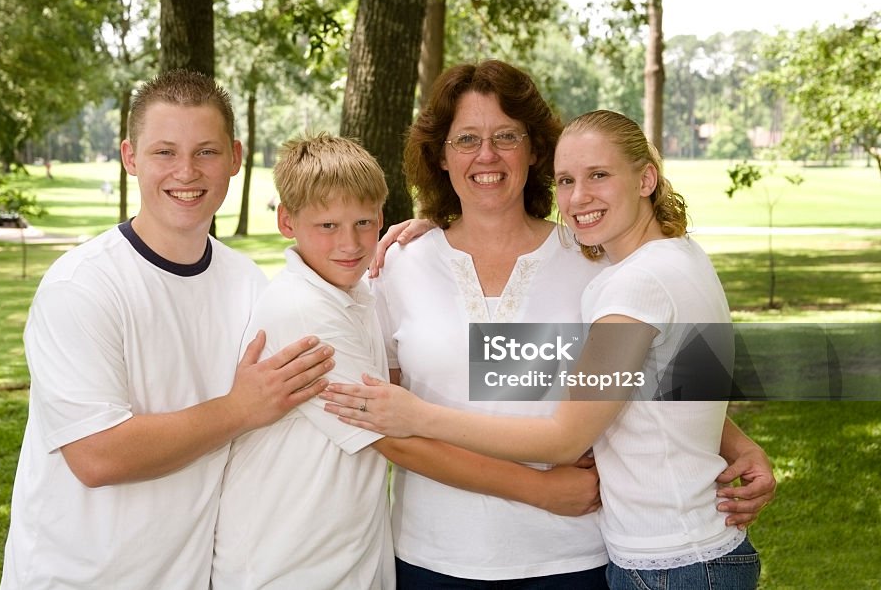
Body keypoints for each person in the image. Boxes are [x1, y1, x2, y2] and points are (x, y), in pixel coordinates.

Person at [324, 108, 765, 589]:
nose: (580, 196)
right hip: (440, 553)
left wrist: (417, 415)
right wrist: (736, 445)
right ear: (442, 157)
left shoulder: (609, 269)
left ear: (646, 180)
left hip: (608, 556)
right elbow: (657, 374)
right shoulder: (402, 263)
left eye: (506, 136)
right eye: (568, 180)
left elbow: (575, 428)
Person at [1, 70, 334, 589]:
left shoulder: (248, 284)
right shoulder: (82, 285)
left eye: (206, 151)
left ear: (236, 158)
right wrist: (239, 409)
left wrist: (421, 241)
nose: (187, 171)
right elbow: (96, 455)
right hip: (75, 578)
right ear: (131, 157)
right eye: (164, 152)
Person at [212, 133, 395, 589]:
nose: (350, 243)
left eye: (363, 223)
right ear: (287, 221)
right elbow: (397, 439)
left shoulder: (358, 293)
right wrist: (538, 488)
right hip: (285, 564)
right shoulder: (303, 310)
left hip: (343, 553)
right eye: (328, 226)